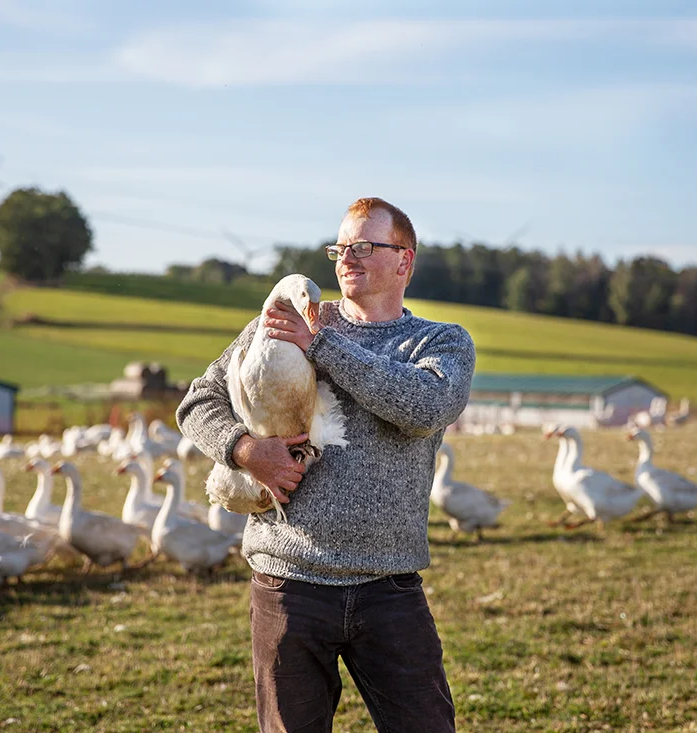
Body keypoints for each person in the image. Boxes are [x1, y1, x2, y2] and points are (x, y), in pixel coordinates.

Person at [177, 197, 476, 732]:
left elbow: (424, 409)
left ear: (404, 261)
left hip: (388, 585)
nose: (346, 259)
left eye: (364, 247)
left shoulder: (437, 341)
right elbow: (198, 401)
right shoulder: (279, 323)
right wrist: (246, 451)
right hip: (289, 584)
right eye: (340, 248)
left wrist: (321, 345)